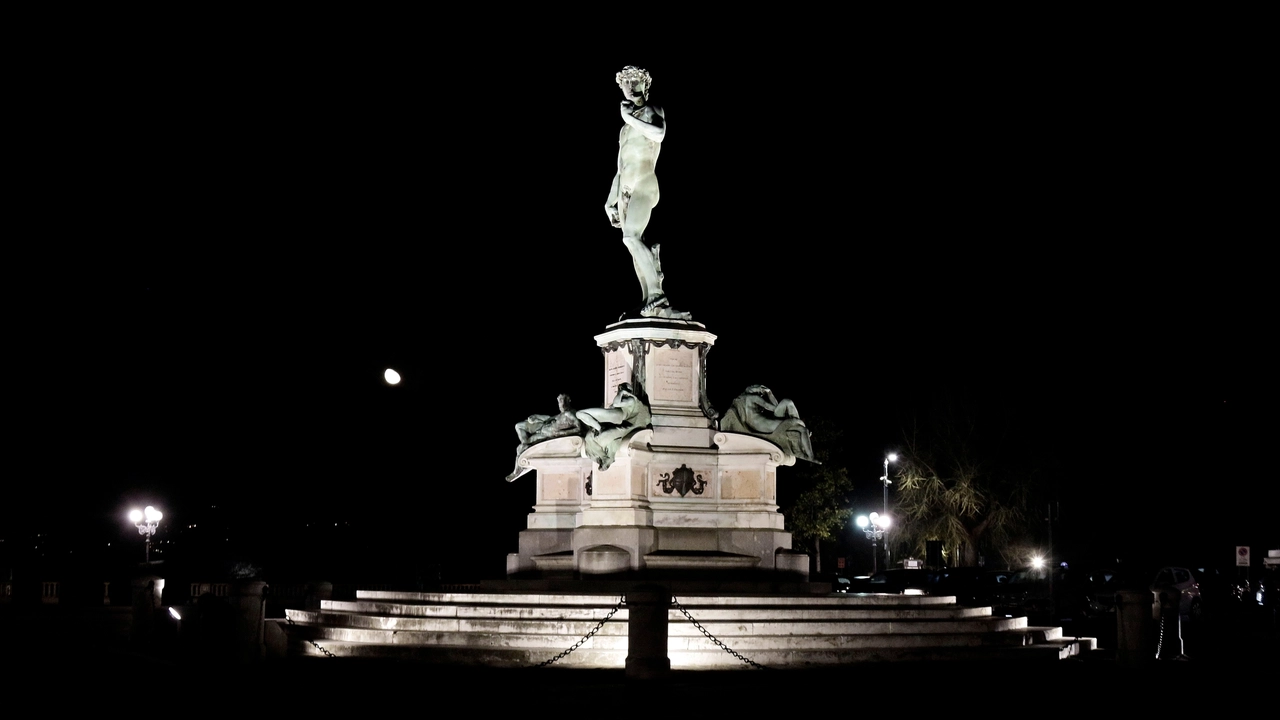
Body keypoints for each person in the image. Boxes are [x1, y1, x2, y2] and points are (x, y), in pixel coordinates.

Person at [604, 66, 689, 320]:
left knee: (630, 237)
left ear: (643, 83)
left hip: (644, 183)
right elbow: (620, 165)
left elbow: (659, 134)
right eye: (624, 84)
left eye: (633, 81)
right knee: (633, 243)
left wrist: (629, 118)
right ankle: (648, 300)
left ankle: (657, 298)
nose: (629, 87)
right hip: (626, 190)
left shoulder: (651, 111)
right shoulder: (624, 129)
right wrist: (611, 199)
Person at [719, 385, 817, 463]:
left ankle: (803, 443)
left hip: (762, 423)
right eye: (759, 389)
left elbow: (776, 407)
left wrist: (769, 393)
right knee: (802, 429)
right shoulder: (753, 398)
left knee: (787, 402)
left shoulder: (742, 399)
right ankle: (810, 455)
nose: (761, 392)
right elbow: (774, 407)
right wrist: (769, 393)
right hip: (764, 425)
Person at [576, 383, 651, 470]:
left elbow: (616, 403)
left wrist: (621, 392)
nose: (619, 390)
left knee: (592, 439)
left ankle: (605, 457)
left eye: (621, 389)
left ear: (627, 391)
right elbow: (615, 405)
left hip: (622, 427)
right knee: (588, 435)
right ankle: (605, 455)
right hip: (614, 423)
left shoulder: (632, 401)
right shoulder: (622, 406)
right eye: (619, 389)